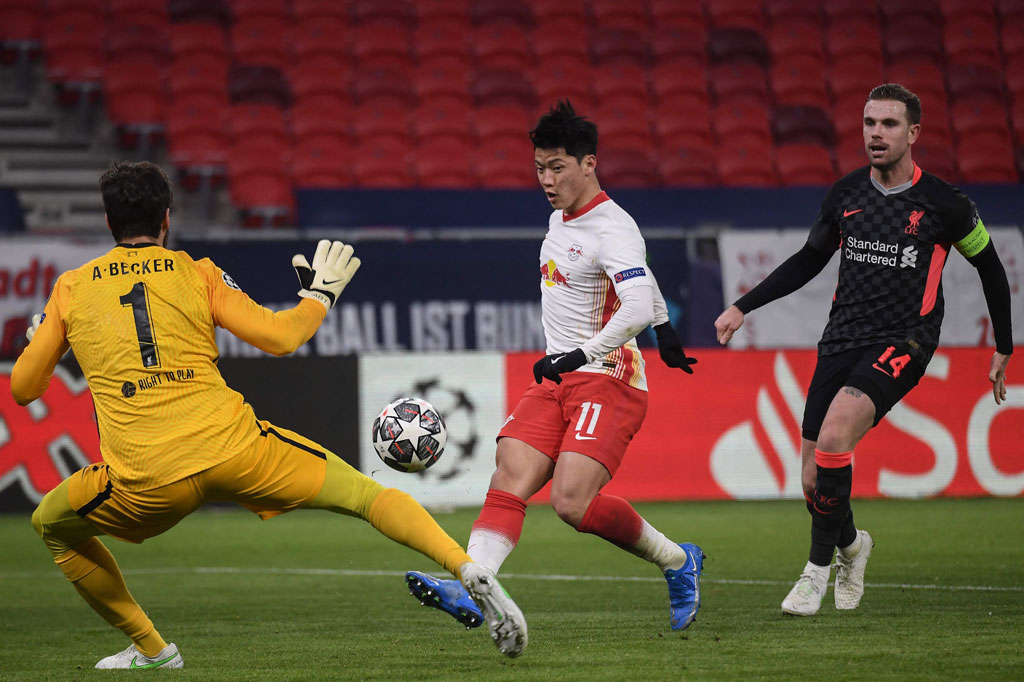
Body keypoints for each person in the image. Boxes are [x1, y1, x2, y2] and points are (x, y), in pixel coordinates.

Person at [11, 161, 528, 668]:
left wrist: (49, 343)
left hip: (147, 478)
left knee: (53, 526)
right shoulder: (198, 273)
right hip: (237, 449)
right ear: (167, 218)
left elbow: (22, 390)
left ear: (107, 222)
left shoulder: (72, 289)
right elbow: (281, 338)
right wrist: (320, 295)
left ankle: (152, 649)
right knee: (367, 495)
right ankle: (464, 566)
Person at [403, 100, 705, 633]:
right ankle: (475, 585)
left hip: (608, 378)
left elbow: (631, 304)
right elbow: (644, 288)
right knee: (509, 475)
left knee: (571, 503)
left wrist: (596, 347)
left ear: (589, 163)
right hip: (559, 377)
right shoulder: (561, 218)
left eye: (558, 166)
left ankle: (680, 562)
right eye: (540, 166)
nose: (546, 178)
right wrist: (668, 329)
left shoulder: (613, 228)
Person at [714, 84, 1014, 616]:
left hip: (907, 339)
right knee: (812, 479)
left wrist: (1004, 345)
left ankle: (814, 573)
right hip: (842, 338)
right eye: (869, 122)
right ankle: (854, 546)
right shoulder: (847, 194)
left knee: (833, 436)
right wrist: (744, 305)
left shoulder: (944, 204)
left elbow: (990, 265)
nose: (876, 133)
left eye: (890, 124)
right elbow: (809, 260)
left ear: (913, 133)